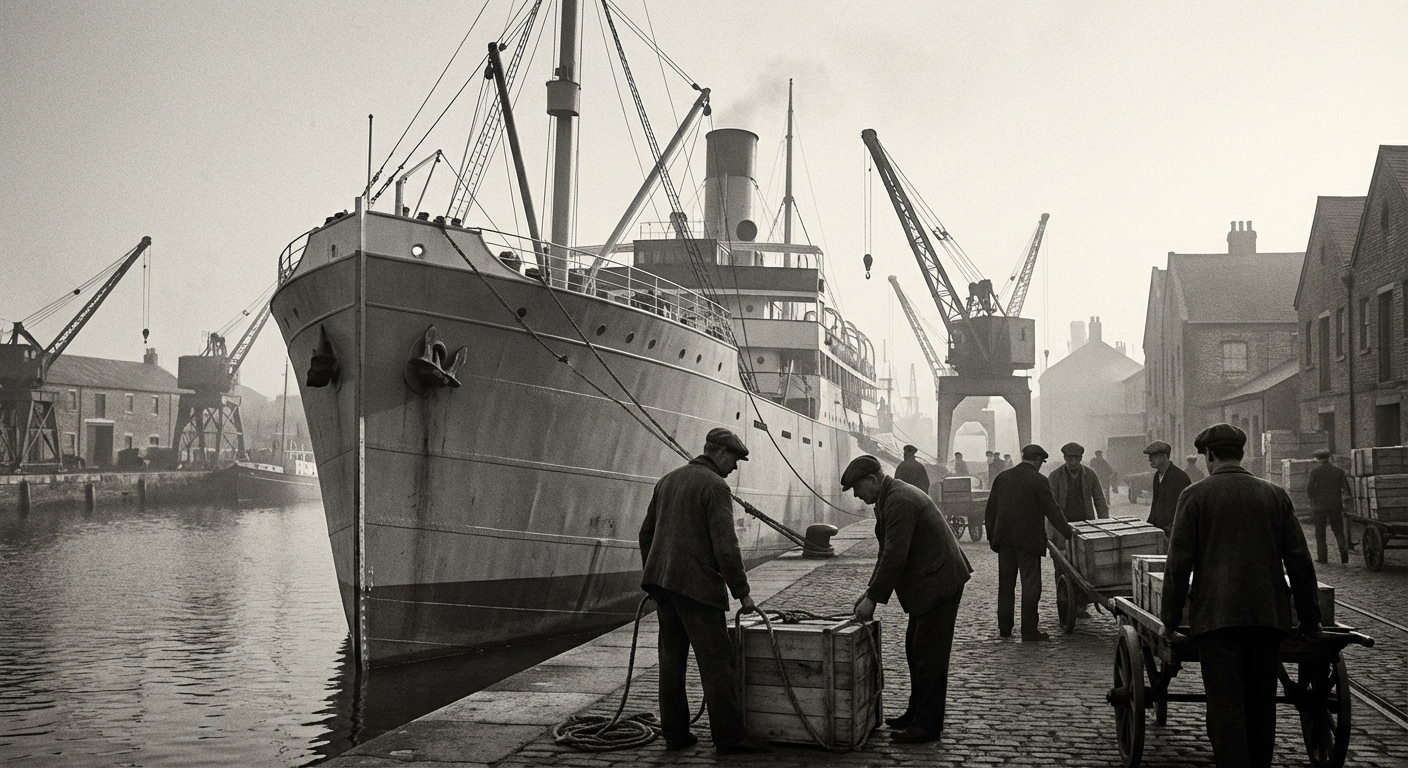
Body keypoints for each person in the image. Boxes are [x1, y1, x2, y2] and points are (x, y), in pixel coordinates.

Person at [1162, 423, 1322, 768]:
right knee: (1261, 705)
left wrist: (1170, 621)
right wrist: (1311, 621)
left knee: (1225, 706)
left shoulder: (1195, 496)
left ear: (1209, 455)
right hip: (1267, 618)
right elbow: (1300, 563)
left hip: (1217, 620)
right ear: (1241, 454)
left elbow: (1178, 566)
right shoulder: (1275, 494)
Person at [639, 428, 770, 754]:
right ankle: (729, 737)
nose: (735, 468)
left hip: (664, 585)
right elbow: (726, 547)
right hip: (696, 588)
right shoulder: (715, 486)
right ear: (721, 454)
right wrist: (743, 593)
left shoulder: (667, 480)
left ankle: (675, 734)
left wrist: (653, 577)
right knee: (717, 663)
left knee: (671, 662)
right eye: (735, 460)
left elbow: (646, 534)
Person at [846, 454, 972, 743]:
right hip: (929, 581)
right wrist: (869, 592)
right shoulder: (888, 497)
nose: (855, 494)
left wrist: (874, 599)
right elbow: (885, 551)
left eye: (857, 487)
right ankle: (916, 713)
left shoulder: (899, 501)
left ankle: (927, 726)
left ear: (872, 480)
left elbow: (895, 555)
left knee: (929, 655)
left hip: (939, 582)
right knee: (915, 648)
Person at [984, 444, 1074, 641]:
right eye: (1041, 462)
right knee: (1031, 586)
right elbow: (1052, 510)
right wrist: (1068, 533)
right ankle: (1029, 630)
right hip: (1029, 542)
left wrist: (993, 538)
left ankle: (1005, 628)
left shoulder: (1003, 478)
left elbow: (990, 511)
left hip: (1005, 541)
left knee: (1006, 586)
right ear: (1038, 460)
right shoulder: (1039, 480)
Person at [1047, 442, 1109, 530]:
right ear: (1065, 458)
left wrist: (1104, 524)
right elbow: (1051, 503)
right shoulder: (1055, 476)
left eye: (1077, 458)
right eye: (1070, 458)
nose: (1073, 462)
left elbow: (1099, 499)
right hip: (1063, 523)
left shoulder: (1090, 474)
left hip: (1086, 522)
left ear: (1081, 458)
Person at [1306, 448, 1352, 564]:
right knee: (1338, 531)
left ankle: (1322, 558)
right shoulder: (1339, 471)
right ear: (1328, 458)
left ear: (1318, 459)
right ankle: (1344, 556)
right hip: (1335, 506)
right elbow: (1347, 489)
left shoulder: (1315, 472)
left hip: (1320, 507)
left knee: (1320, 533)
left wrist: (1312, 499)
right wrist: (1345, 502)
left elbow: (1309, 488)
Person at [1145, 440, 1192, 538]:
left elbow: (1185, 509)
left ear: (1165, 456)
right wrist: (1148, 525)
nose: (1149, 459)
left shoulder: (1180, 477)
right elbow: (1155, 504)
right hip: (1160, 531)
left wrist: (1172, 529)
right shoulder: (1157, 476)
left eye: (1153, 456)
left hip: (1174, 532)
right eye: (1149, 456)